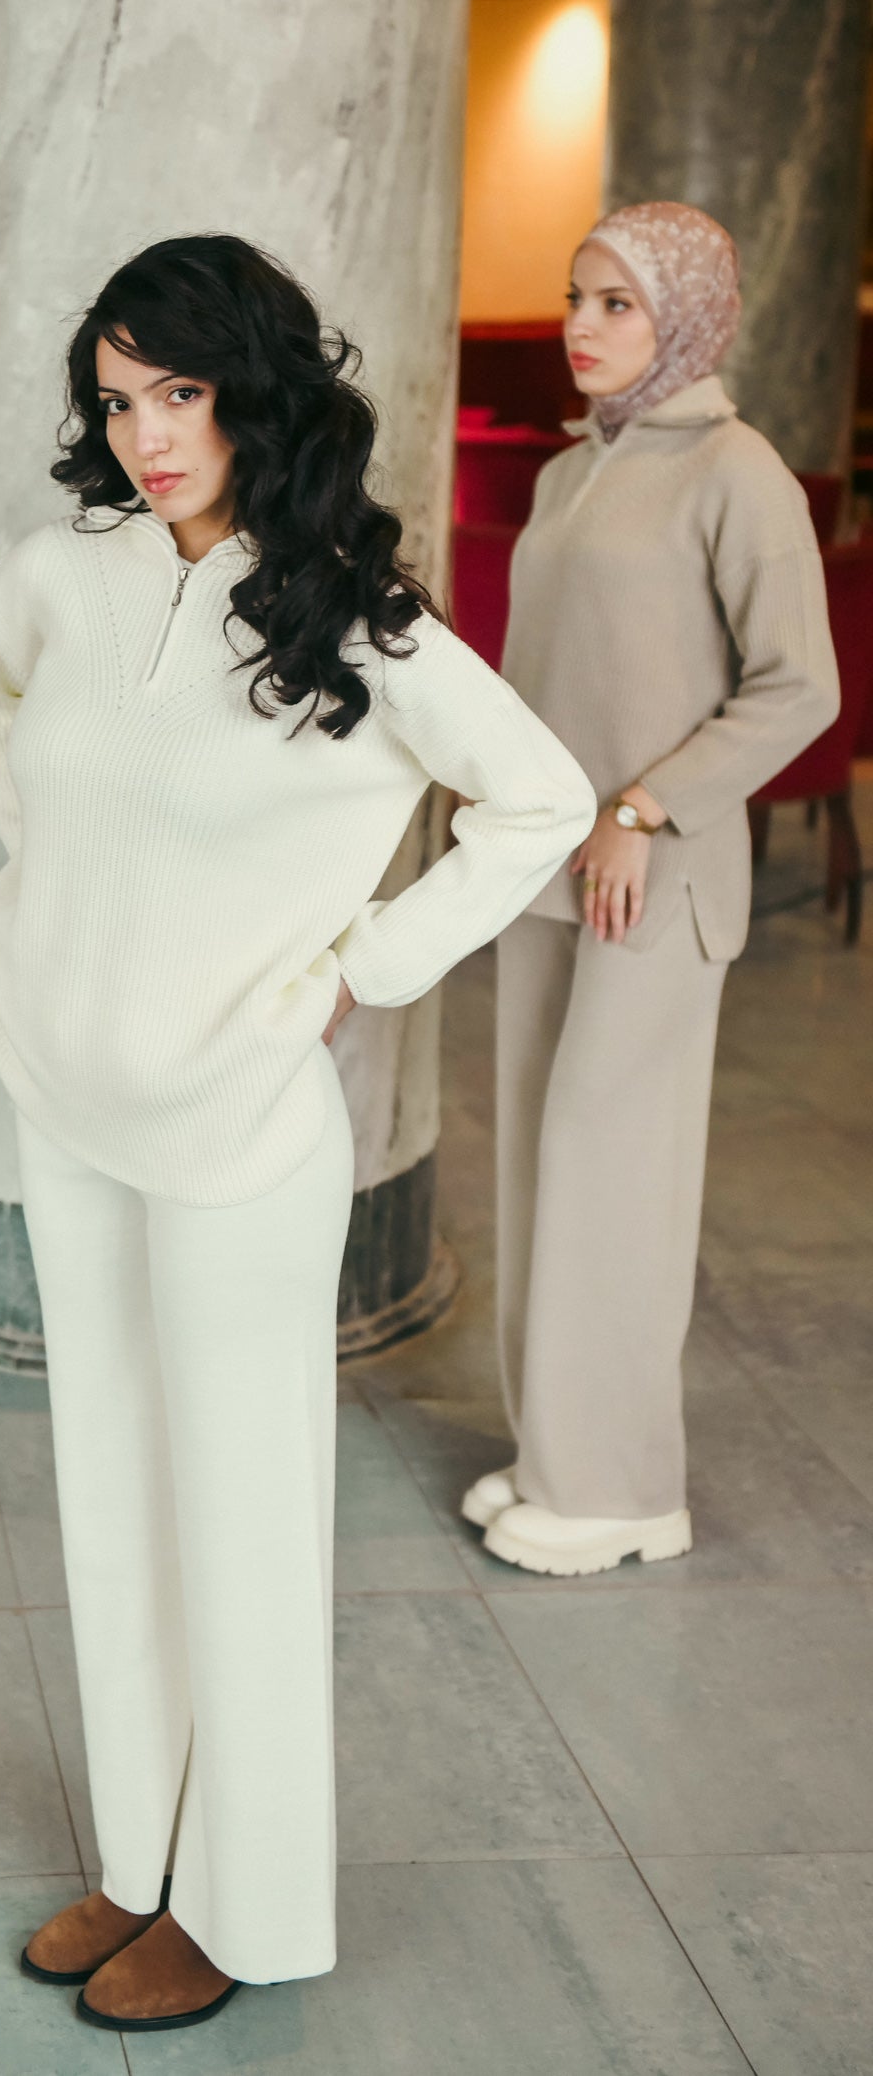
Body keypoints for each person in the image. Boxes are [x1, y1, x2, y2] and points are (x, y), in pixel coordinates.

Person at [0, 234, 594, 2031]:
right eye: (117, 402)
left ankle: (247, 1906)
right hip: (69, 1101)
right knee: (110, 1505)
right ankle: (142, 1859)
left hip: (238, 1128)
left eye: (182, 392)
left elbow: (539, 799)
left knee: (242, 1526)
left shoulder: (353, 620)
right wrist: (40, 905)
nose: (147, 436)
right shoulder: (57, 578)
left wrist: (357, 970)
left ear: (258, 392)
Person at [463, 201, 839, 1579]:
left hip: (654, 883)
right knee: (539, 1167)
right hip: (550, 878)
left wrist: (645, 806)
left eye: (617, 303)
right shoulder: (577, 472)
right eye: (577, 297)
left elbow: (802, 688)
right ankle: (555, 1456)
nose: (583, 326)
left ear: (684, 315)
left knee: (609, 1176)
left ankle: (622, 1490)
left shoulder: (739, 472)